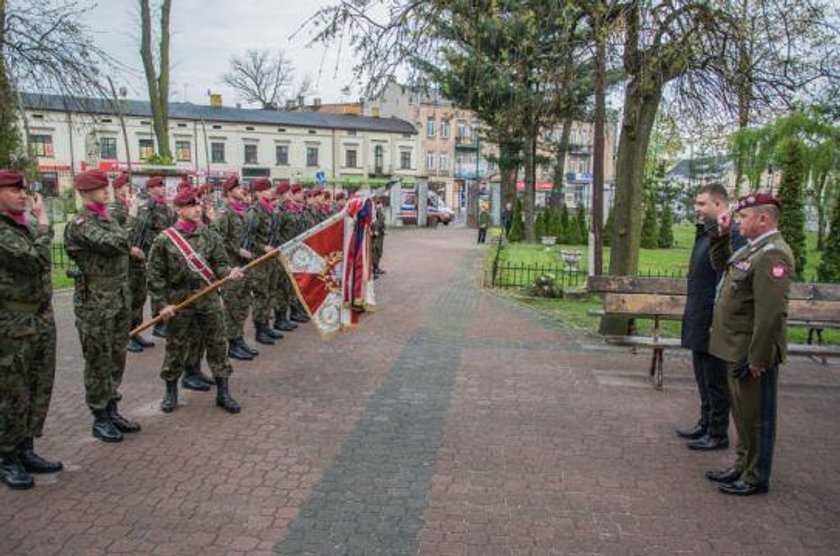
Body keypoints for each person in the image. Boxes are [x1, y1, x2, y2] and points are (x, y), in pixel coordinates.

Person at [705, 193, 794, 496]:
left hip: (751, 353)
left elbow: (771, 314)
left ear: (763, 219)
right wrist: (720, 234)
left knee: (756, 418)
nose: (738, 221)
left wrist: (759, 358)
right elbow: (720, 263)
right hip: (735, 348)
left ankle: (755, 476)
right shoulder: (752, 250)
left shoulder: (773, 254)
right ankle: (742, 465)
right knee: (743, 415)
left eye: (743, 217)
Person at [147, 188, 245, 414]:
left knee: (217, 344)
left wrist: (228, 272)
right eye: (191, 205)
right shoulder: (165, 239)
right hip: (179, 302)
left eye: (198, 204)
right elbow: (155, 276)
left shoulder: (210, 235)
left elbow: (219, 263)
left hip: (208, 300)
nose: (197, 208)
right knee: (176, 347)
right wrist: (162, 305)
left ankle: (223, 392)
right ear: (178, 210)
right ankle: (171, 393)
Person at [65, 170, 141, 442]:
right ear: (85, 192)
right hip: (96, 302)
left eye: (106, 186)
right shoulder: (82, 223)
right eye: (99, 188)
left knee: (116, 356)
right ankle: (99, 416)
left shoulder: (106, 218)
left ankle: (112, 408)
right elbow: (118, 243)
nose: (106, 191)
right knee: (99, 360)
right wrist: (132, 217)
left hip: (117, 298)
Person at [0, 170, 63, 489]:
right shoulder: (6, 230)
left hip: (38, 319)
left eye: (23, 190)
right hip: (11, 324)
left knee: (39, 385)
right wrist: (43, 223)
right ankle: (7, 457)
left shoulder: (20, 225)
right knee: (13, 392)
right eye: (12, 190)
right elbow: (36, 260)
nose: (22, 195)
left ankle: (26, 448)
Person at [676, 183, 744, 451]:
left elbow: (726, 279)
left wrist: (718, 318)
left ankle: (718, 432)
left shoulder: (731, 234)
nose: (698, 209)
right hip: (698, 314)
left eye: (702, 204)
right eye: (697, 204)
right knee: (702, 374)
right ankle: (705, 423)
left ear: (719, 205)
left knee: (715, 378)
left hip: (713, 319)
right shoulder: (707, 233)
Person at [214, 176, 260, 360]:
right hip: (232, 266)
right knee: (232, 305)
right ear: (229, 191)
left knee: (242, 304)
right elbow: (218, 239)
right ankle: (232, 344)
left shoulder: (243, 211)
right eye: (238, 187)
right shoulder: (224, 213)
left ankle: (239, 339)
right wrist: (237, 250)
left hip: (244, 265)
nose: (242, 190)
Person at [110, 172, 156, 353]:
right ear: (117, 190)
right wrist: (130, 249)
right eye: (124, 188)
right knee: (127, 300)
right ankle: (126, 335)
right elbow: (117, 236)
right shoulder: (115, 210)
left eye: (129, 187)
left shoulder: (133, 206)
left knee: (139, 297)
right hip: (125, 261)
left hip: (139, 261)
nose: (128, 190)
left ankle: (135, 330)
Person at [133, 175, 175, 339]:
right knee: (155, 288)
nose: (162, 188)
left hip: (165, 252)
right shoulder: (147, 207)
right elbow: (143, 230)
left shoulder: (164, 207)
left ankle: (161, 323)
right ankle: (155, 324)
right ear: (150, 190)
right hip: (152, 252)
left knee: (165, 288)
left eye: (162, 186)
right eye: (158, 186)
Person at [246, 178, 284, 345]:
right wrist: (262, 248)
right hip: (259, 260)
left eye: (271, 189)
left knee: (270, 292)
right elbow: (247, 238)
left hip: (271, 259)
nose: (271, 191)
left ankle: (266, 325)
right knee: (261, 294)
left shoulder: (271, 210)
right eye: (267, 189)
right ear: (258, 193)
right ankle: (259, 329)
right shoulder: (254, 212)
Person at [371, 195, 386, 277]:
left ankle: (376, 267)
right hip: (376, 232)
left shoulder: (379, 208)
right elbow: (377, 220)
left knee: (379, 251)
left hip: (380, 232)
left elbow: (383, 218)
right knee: (375, 250)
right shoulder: (374, 209)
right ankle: (374, 268)